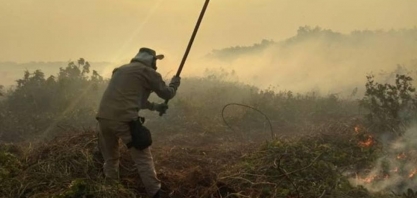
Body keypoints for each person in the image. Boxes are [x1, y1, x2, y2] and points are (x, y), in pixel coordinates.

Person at [96, 47, 180, 198]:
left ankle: (110, 191)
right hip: (124, 120)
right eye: (156, 61)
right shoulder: (148, 73)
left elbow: (137, 100)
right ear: (151, 60)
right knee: (143, 158)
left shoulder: (121, 70)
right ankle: (155, 193)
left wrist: (155, 107)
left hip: (103, 119)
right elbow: (167, 93)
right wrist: (175, 84)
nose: (156, 65)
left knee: (111, 159)